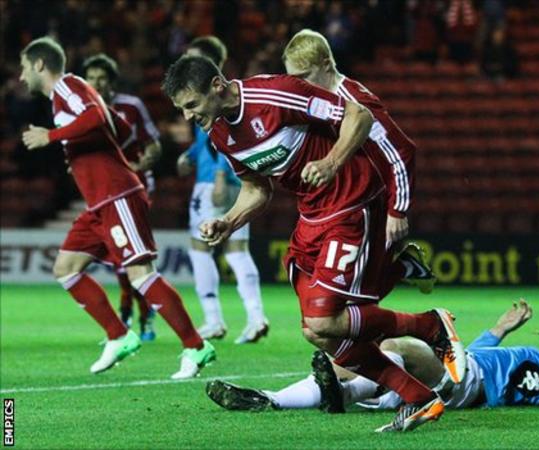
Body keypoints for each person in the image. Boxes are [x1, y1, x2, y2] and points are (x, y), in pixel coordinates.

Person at [161, 54, 467, 432]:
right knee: (318, 333)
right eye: (182, 110)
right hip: (311, 216)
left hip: (351, 202)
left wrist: (332, 162)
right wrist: (228, 221)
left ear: (217, 86)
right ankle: (419, 397)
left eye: (191, 105)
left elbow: (359, 116)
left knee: (325, 318)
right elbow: (257, 189)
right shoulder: (219, 133)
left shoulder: (275, 95)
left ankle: (428, 325)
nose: (188, 117)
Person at [19, 37, 215, 379]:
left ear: (39, 65)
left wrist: (52, 137)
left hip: (116, 196)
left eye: (23, 68)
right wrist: (93, 153)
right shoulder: (67, 95)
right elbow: (118, 125)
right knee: (66, 268)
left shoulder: (67, 86)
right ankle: (119, 335)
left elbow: (97, 117)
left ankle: (196, 346)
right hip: (99, 202)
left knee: (141, 275)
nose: (21, 77)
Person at [205, 300, 539, 417]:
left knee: (395, 346)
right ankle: (273, 398)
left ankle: (353, 393)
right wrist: (501, 329)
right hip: (467, 370)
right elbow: (478, 354)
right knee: (354, 359)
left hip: (470, 385)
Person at [281, 29, 425, 261]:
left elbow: (401, 149)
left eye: (304, 76)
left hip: (369, 206)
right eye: (293, 80)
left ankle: (404, 266)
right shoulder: (319, 102)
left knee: (350, 290)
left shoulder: (356, 102)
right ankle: (406, 266)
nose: (298, 86)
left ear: (326, 64)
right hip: (344, 206)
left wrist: (397, 210)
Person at [180, 36, 269, 344]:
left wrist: (217, 175)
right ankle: (256, 316)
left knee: (199, 248)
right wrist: (189, 156)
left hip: (214, 182)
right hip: (238, 181)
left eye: (191, 58)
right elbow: (207, 142)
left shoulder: (207, 97)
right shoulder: (218, 96)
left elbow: (222, 137)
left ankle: (213, 319)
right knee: (237, 250)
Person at [83, 52, 161, 341]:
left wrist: (143, 164)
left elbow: (154, 144)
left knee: (133, 256)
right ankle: (132, 314)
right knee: (120, 258)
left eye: (102, 78)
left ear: (112, 81)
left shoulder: (131, 106)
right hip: (104, 193)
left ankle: (141, 317)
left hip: (135, 189)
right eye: (91, 78)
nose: (96, 83)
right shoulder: (83, 111)